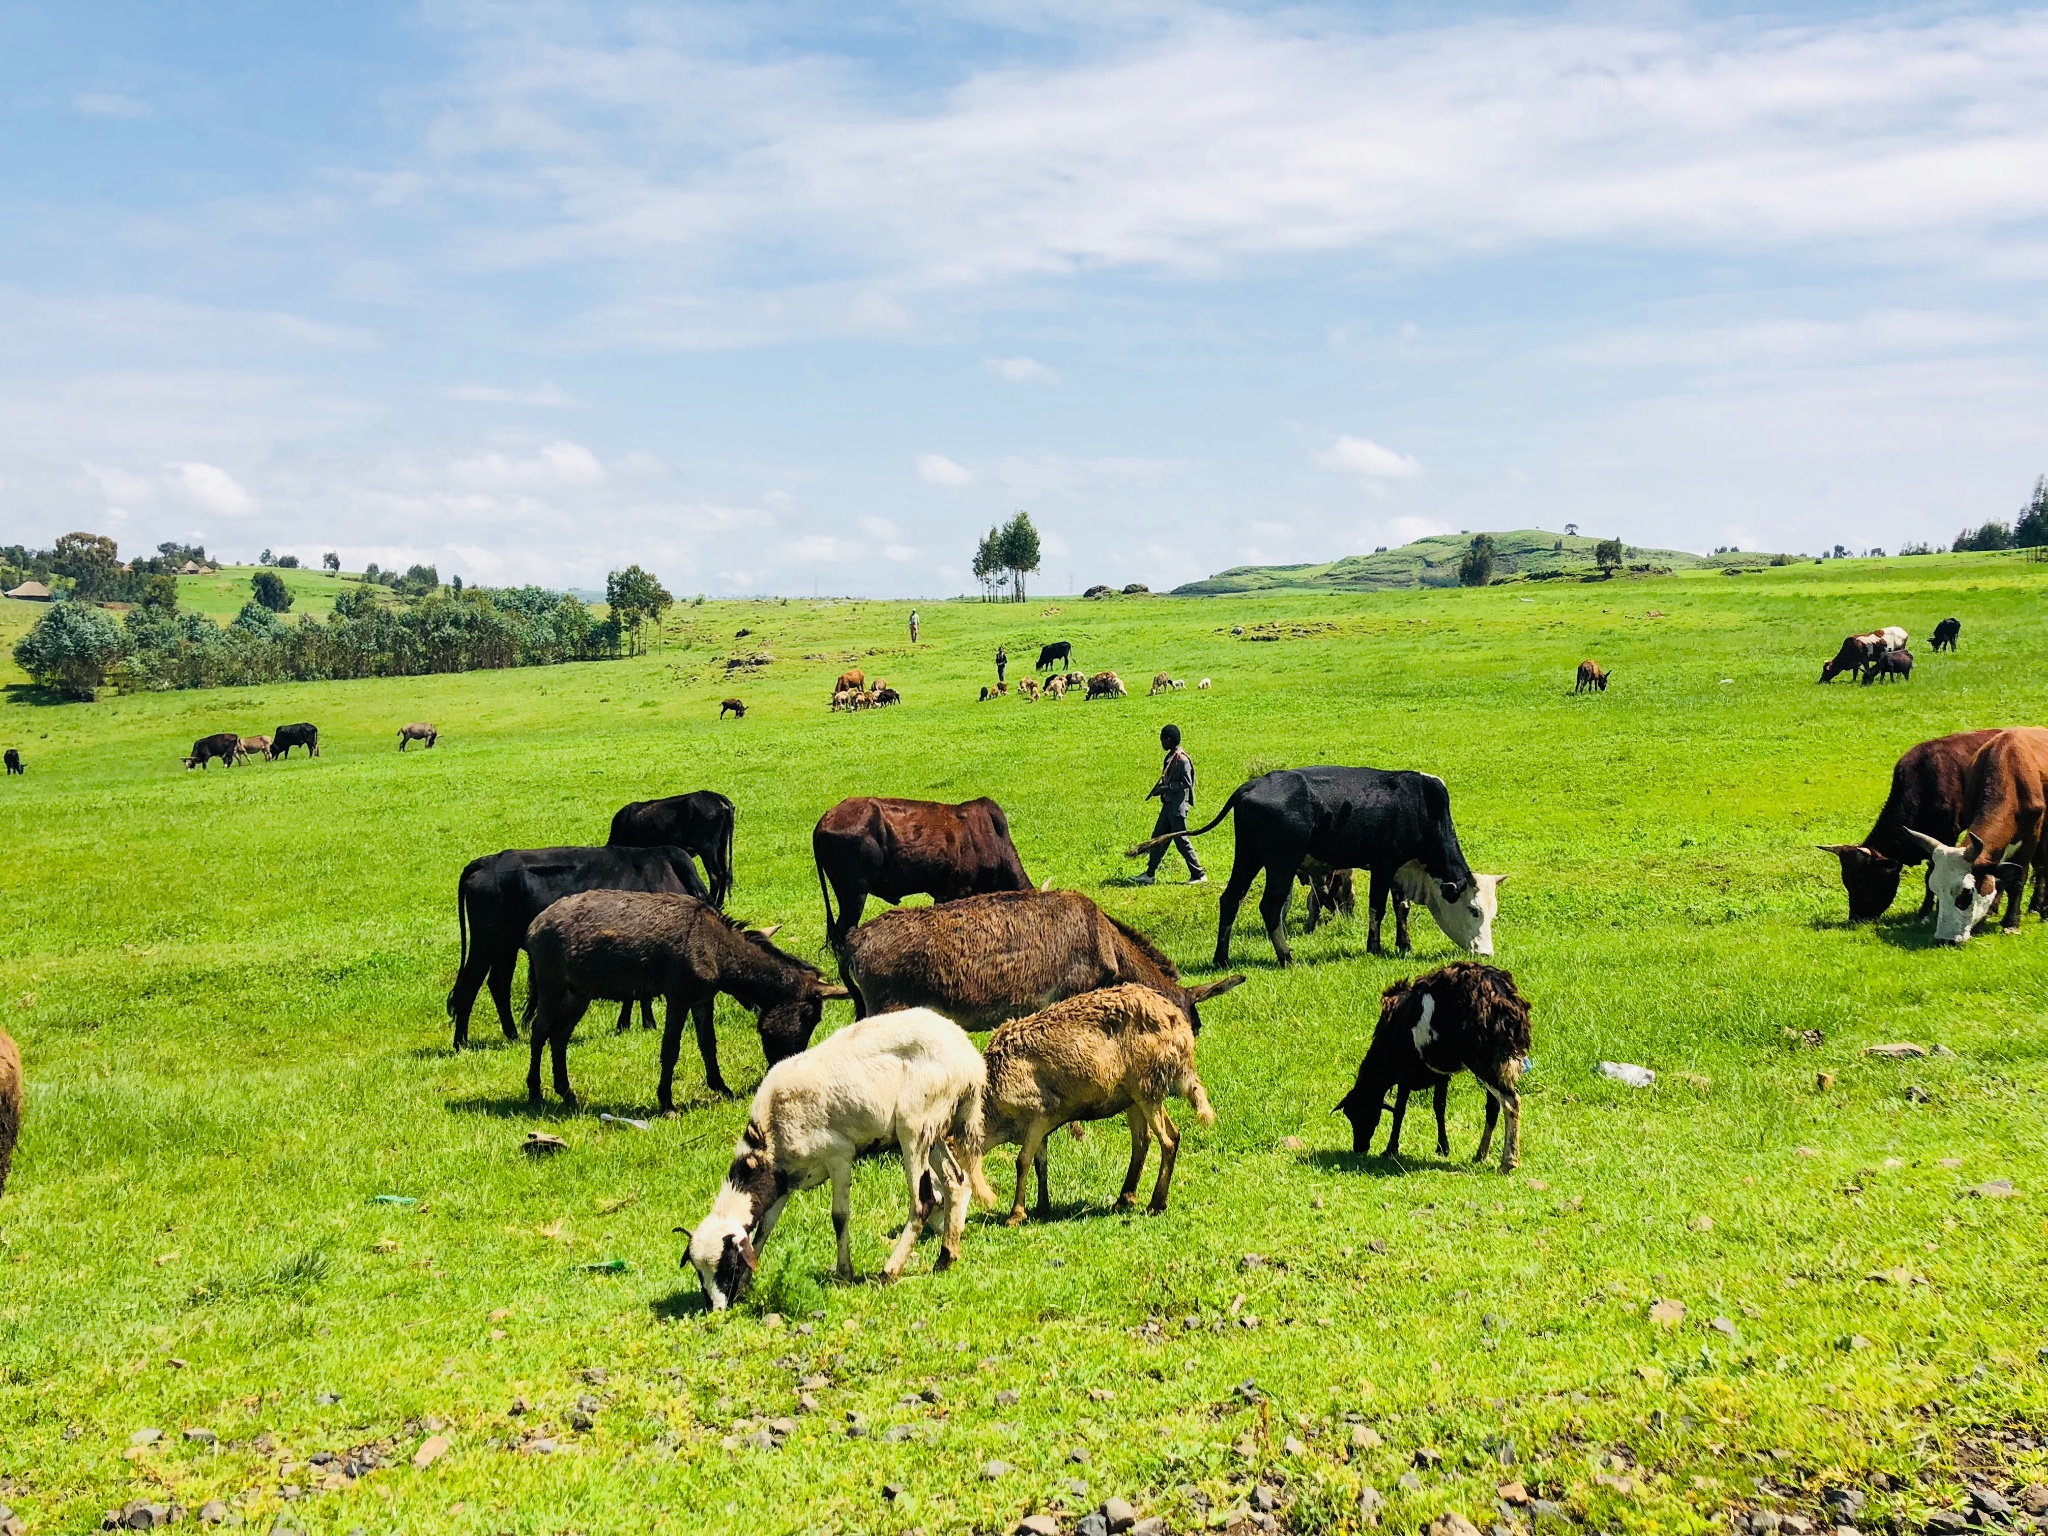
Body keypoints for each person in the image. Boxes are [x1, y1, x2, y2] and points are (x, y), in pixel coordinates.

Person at [1135, 724, 1205, 885]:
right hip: (1169, 805)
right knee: (1158, 838)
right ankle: (1150, 874)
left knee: (1181, 841)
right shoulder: (1171, 757)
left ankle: (1198, 874)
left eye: (1162, 740)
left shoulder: (1182, 760)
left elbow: (1187, 783)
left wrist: (1167, 788)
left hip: (1177, 807)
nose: (1161, 744)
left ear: (1168, 740)